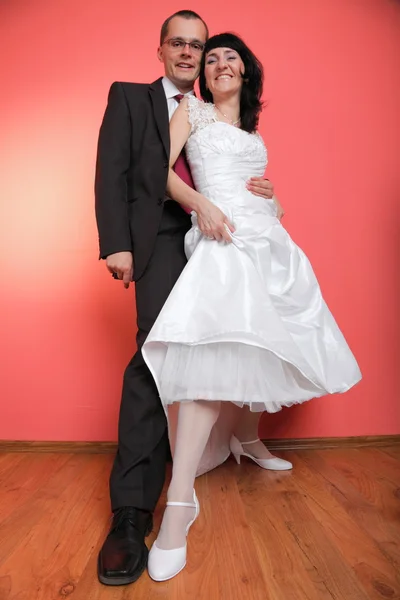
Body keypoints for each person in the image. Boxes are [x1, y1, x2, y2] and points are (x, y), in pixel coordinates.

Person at [142, 32, 362, 581]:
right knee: (215, 349)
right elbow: (160, 173)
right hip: (221, 236)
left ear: (246, 74)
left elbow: (261, 189)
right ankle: (180, 501)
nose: (217, 64)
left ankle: (247, 437)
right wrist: (203, 207)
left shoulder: (252, 132)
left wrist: (275, 195)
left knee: (267, 341)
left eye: (229, 59)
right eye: (209, 58)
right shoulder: (190, 112)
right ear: (202, 74)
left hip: (268, 238)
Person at [95, 12, 277, 587]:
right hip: (161, 243)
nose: (190, 52)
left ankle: (211, 458)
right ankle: (131, 513)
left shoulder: (218, 111)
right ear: (160, 50)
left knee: (228, 346)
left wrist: (261, 195)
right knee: (156, 356)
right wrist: (116, 245)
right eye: (179, 42)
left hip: (221, 239)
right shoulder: (130, 98)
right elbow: (112, 173)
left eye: (199, 46)